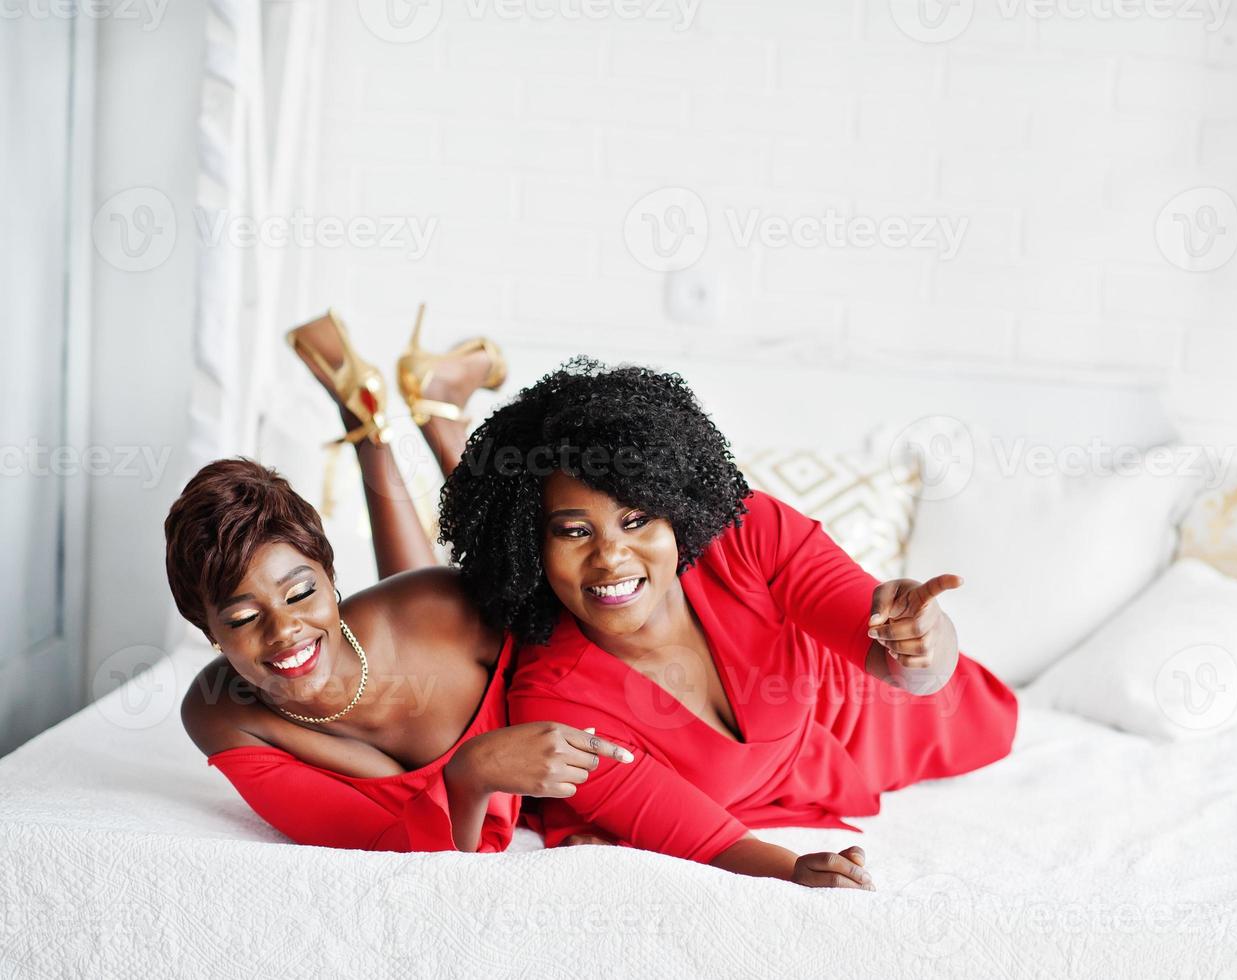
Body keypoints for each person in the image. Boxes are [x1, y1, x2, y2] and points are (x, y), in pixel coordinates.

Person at [436, 358, 1019, 889]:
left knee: (997, 727)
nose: (611, 556)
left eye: (637, 519)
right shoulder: (554, 697)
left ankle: (434, 416)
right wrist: (792, 870)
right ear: (531, 546)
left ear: (677, 510)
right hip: (759, 794)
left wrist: (923, 642)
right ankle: (431, 420)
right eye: (573, 530)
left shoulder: (747, 533)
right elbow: (709, 841)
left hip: (866, 707)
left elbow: (910, 670)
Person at [168, 310, 630, 854]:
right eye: (244, 618)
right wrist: (472, 774)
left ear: (331, 575)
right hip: (416, 624)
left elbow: (576, 636)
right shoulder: (218, 710)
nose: (284, 630)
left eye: (301, 593)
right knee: (425, 595)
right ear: (207, 629)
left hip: (462, 622)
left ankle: (433, 419)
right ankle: (403, 418)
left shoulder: (442, 608)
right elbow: (394, 838)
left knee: (515, 564)